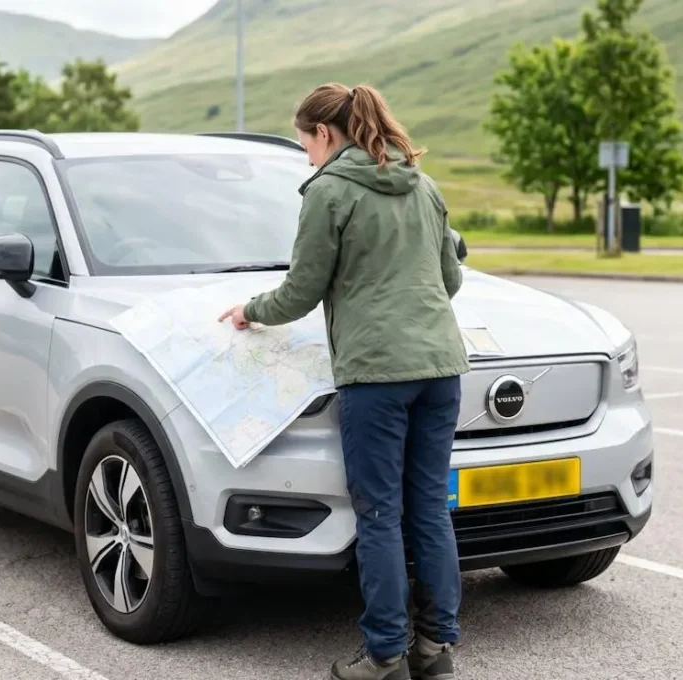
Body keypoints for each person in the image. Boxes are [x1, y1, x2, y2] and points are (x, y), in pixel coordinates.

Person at [219, 83, 469, 680]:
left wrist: (249, 310)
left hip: (378, 375)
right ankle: (436, 651)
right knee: (430, 509)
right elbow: (450, 282)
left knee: (379, 514)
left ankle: (384, 656)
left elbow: (300, 292)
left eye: (304, 142)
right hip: (441, 370)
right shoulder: (423, 185)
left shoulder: (329, 192)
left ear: (325, 134)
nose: (305, 155)